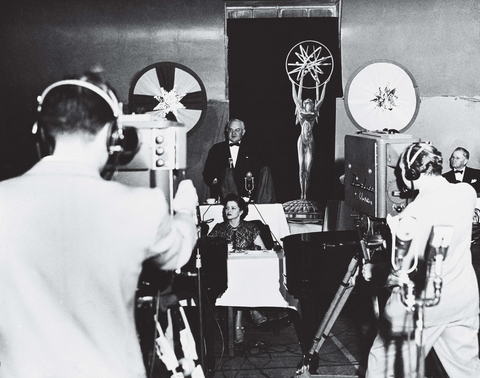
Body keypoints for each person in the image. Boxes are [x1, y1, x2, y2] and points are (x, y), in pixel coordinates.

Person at [0, 72, 198, 378]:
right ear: (112, 135)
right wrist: (185, 208)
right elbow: (180, 252)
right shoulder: (140, 207)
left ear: (39, 131)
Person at [363, 142, 480, 377]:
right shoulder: (467, 192)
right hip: (463, 300)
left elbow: (402, 272)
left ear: (410, 173)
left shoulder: (411, 216)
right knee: (466, 371)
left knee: (381, 368)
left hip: (421, 306)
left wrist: (374, 270)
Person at [208, 193, 268, 344]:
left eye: (233, 208)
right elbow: (207, 249)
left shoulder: (250, 227)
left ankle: (238, 323)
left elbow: (263, 249)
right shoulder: (219, 228)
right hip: (224, 271)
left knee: (242, 278)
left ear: (241, 211)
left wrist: (252, 250)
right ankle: (251, 310)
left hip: (246, 271)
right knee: (236, 280)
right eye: (227, 208)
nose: (228, 211)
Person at [202, 119, 274, 203]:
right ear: (226, 131)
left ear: (243, 132)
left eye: (237, 130)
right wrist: (216, 184)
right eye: (230, 130)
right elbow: (208, 173)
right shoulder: (216, 149)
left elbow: (260, 175)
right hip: (223, 199)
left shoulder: (253, 150)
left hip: (247, 199)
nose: (233, 133)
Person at [291, 70, 328, 200]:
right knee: (301, 168)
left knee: (308, 169)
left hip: (310, 141)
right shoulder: (300, 112)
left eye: (309, 103)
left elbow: (321, 98)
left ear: (311, 105)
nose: (307, 104)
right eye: (306, 103)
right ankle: (302, 195)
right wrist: (296, 82)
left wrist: (323, 84)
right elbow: (297, 97)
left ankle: (306, 195)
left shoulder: (315, 112)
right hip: (301, 140)